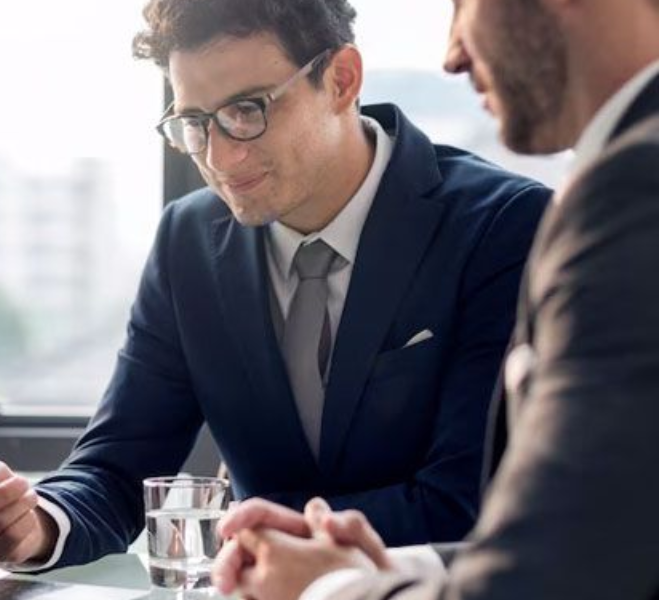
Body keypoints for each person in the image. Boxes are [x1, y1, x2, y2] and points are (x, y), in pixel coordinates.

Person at [0, 0, 550, 572]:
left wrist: (256, 538)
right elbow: (118, 468)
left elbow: (469, 501)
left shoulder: (503, 227)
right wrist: (35, 524)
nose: (220, 159)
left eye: (247, 111)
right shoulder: (189, 240)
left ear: (341, 80)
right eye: (194, 123)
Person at [212, 0, 659, 598]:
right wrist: (385, 568)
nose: (452, 55)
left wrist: (331, 589)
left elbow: (547, 581)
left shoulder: (632, 191)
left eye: (462, 4)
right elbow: (604, 535)